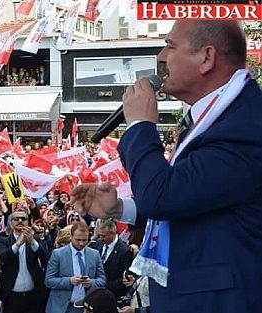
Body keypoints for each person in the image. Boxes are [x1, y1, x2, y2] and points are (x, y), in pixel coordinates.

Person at [69, 21, 262, 313]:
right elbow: (192, 196)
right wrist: (120, 209)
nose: (160, 56)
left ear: (207, 57)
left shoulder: (244, 126)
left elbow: (163, 195)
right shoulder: (220, 117)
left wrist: (140, 125)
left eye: (170, 46)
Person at [44, 222, 106, 313]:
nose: (81, 243)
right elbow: (48, 281)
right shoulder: (58, 254)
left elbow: (102, 280)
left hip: (86, 308)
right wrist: (69, 281)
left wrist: (91, 283)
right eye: (78, 239)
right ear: (71, 237)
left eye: (84, 240)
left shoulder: (94, 254)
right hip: (62, 308)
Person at [0, 210, 48, 313]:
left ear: (28, 222)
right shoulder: (4, 240)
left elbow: (44, 257)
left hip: (33, 296)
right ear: (11, 222)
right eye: (16, 219)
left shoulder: (36, 239)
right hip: (11, 297)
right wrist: (18, 243)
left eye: (23, 219)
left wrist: (32, 241)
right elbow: (2, 258)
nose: (20, 221)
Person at [88, 219, 133, 300]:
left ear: (113, 233)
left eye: (104, 236)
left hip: (111, 296)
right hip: (93, 293)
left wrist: (103, 287)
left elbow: (124, 278)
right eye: (100, 235)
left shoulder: (124, 251)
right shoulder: (96, 245)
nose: (101, 238)